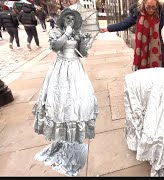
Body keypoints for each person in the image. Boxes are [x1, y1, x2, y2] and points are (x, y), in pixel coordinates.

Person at [32, 8, 98, 176]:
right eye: (67, 18)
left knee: (79, 101)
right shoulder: (56, 31)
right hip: (61, 69)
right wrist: (67, 34)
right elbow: (55, 47)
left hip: (76, 69)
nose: (70, 20)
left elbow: (82, 54)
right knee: (61, 101)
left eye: (72, 18)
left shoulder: (77, 33)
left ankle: (74, 129)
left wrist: (85, 42)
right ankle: (62, 133)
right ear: (62, 20)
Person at [100, 0, 164, 70]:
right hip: (142, 48)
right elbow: (124, 24)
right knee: (143, 72)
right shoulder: (137, 14)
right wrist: (109, 28)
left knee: (158, 70)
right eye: (148, 7)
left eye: (154, 7)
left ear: (157, 5)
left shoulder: (161, 14)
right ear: (143, 3)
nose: (151, 10)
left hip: (157, 48)